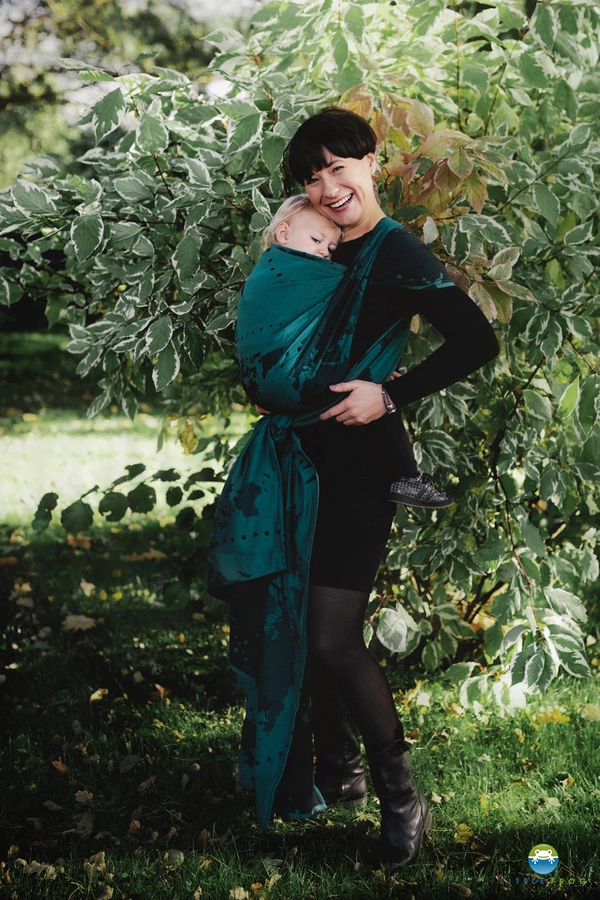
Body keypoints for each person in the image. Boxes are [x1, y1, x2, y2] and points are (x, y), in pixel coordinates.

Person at [207, 107, 499, 865]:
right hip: (296, 461)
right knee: (302, 622)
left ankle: (403, 798)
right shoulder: (311, 241)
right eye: (313, 177)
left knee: (332, 637)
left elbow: (477, 339)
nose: (328, 187)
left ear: (372, 163)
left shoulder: (395, 249)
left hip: (361, 467)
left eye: (339, 168)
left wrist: (389, 394)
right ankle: (336, 769)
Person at [263, 193, 454, 510]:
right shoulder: (285, 277)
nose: (323, 252)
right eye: (316, 240)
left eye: (330, 248)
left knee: (376, 391)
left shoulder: (289, 275)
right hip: (296, 380)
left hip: (311, 384)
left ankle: (406, 474)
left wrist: (372, 364)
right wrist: (263, 385)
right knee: (374, 392)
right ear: (283, 234)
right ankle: (407, 475)